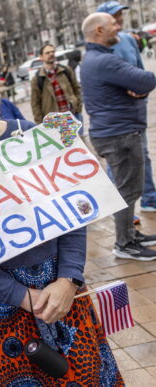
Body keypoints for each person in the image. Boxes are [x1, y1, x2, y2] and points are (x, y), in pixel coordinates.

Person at [0, 52, 123, 385]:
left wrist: (68, 280)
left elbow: (73, 213)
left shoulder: (29, 134)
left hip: (59, 286)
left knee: (85, 375)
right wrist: (21, 297)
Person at [81, 12, 156, 260]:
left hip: (115, 132)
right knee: (128, 190)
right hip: (120, 134)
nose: (119, 28)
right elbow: (146, 80)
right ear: (99, 31)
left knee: (129, 188)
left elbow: (138, 86)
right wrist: (138, 88)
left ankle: (130, 236)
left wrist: (137, 90)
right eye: (113, 24)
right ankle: (124, 243)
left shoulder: (93, 59)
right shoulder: (104, 62)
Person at [96, 1, 156, 213]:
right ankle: (121, 210)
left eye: (120, 14)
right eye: (115, 15)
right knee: (119, 162)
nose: (119, 18)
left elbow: (140, 71)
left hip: (136, 107)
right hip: (116, 114)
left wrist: (143, 90)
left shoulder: (129, 40)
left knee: (144, 154)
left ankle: (150, 199)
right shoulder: (99, 48)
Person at [30, 44, 83, 125]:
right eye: (47, 53)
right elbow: (35, 104)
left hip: (73, 116)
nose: (51, 54)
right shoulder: (37, 79)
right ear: (41, 57)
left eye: (53, 52)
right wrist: (40, 123)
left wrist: (78, 107)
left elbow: (76, 89)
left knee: (79, 137)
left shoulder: (66, 70)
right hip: (55, 121)